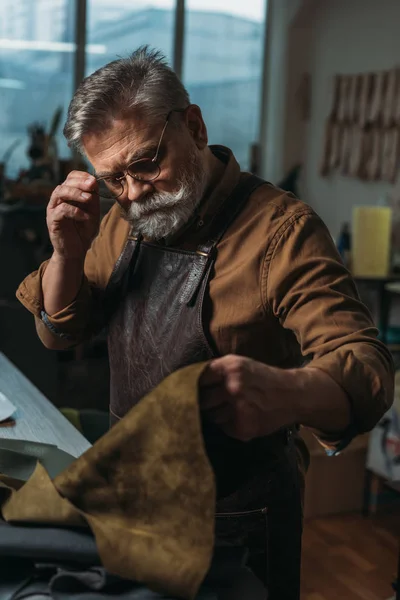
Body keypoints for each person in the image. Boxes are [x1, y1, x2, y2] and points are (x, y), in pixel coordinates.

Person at [17, 46, 394, 599]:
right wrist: (67, 255)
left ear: (193, 126)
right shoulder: (125, 218)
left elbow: (367, 366)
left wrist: (290, 391)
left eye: (146, 162)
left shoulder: (282, 233)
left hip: (239, 517)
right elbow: (58, 330)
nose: (135, 193)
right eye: (113, 179)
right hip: (138, 488)